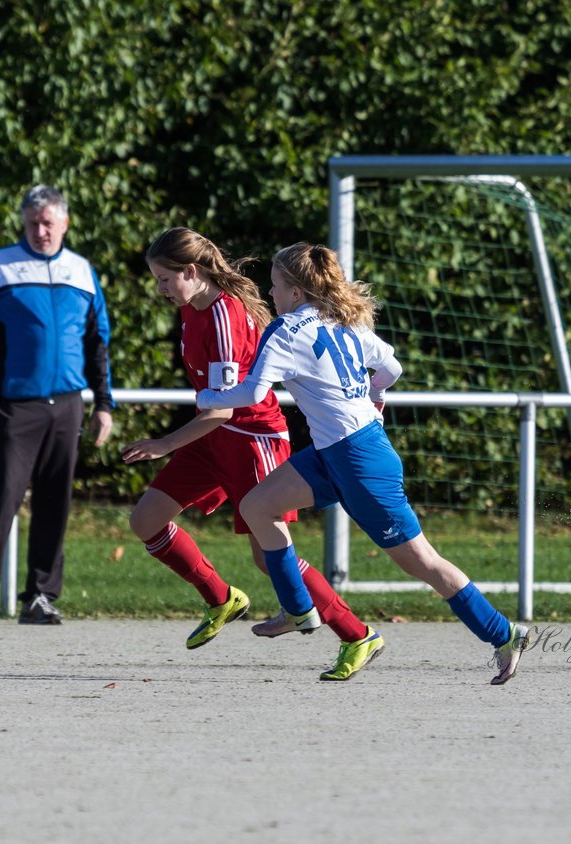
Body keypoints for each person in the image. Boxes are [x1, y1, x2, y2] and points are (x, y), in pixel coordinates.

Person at [196, 242, 532, 685]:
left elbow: (254, 393)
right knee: (258, 506)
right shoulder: (345, 320)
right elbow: (391, 367)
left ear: (296, 292)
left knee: (423, 562)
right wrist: (374, 396)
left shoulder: (285, 330)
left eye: (275, 286)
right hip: (338, 452)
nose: (271, 294)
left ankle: (503, 632)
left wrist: (206, 397)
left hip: (360, 462)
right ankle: (299, 608)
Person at [120, 227, 383, 681]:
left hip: (252, 440)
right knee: (145, 520)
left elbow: (221, 408)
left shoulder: (224, 315)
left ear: (190, 271)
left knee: (268, 556)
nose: (161, 290)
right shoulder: (192, 307)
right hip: (214, 438)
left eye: (165, 279)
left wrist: (164, 444)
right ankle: (222, 599)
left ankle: (356, 634)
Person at [0, 184, 114, 625]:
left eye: (48, 223)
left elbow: (100, 342)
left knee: (54, 502)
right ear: (23, 224)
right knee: (0, 498)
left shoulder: (82, 270)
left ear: (65, 223)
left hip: (67, 405)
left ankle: (40, 596)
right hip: (14, 406)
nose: (40, 231)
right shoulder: (0, 264)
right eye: (32, 223)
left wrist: (104, 403)